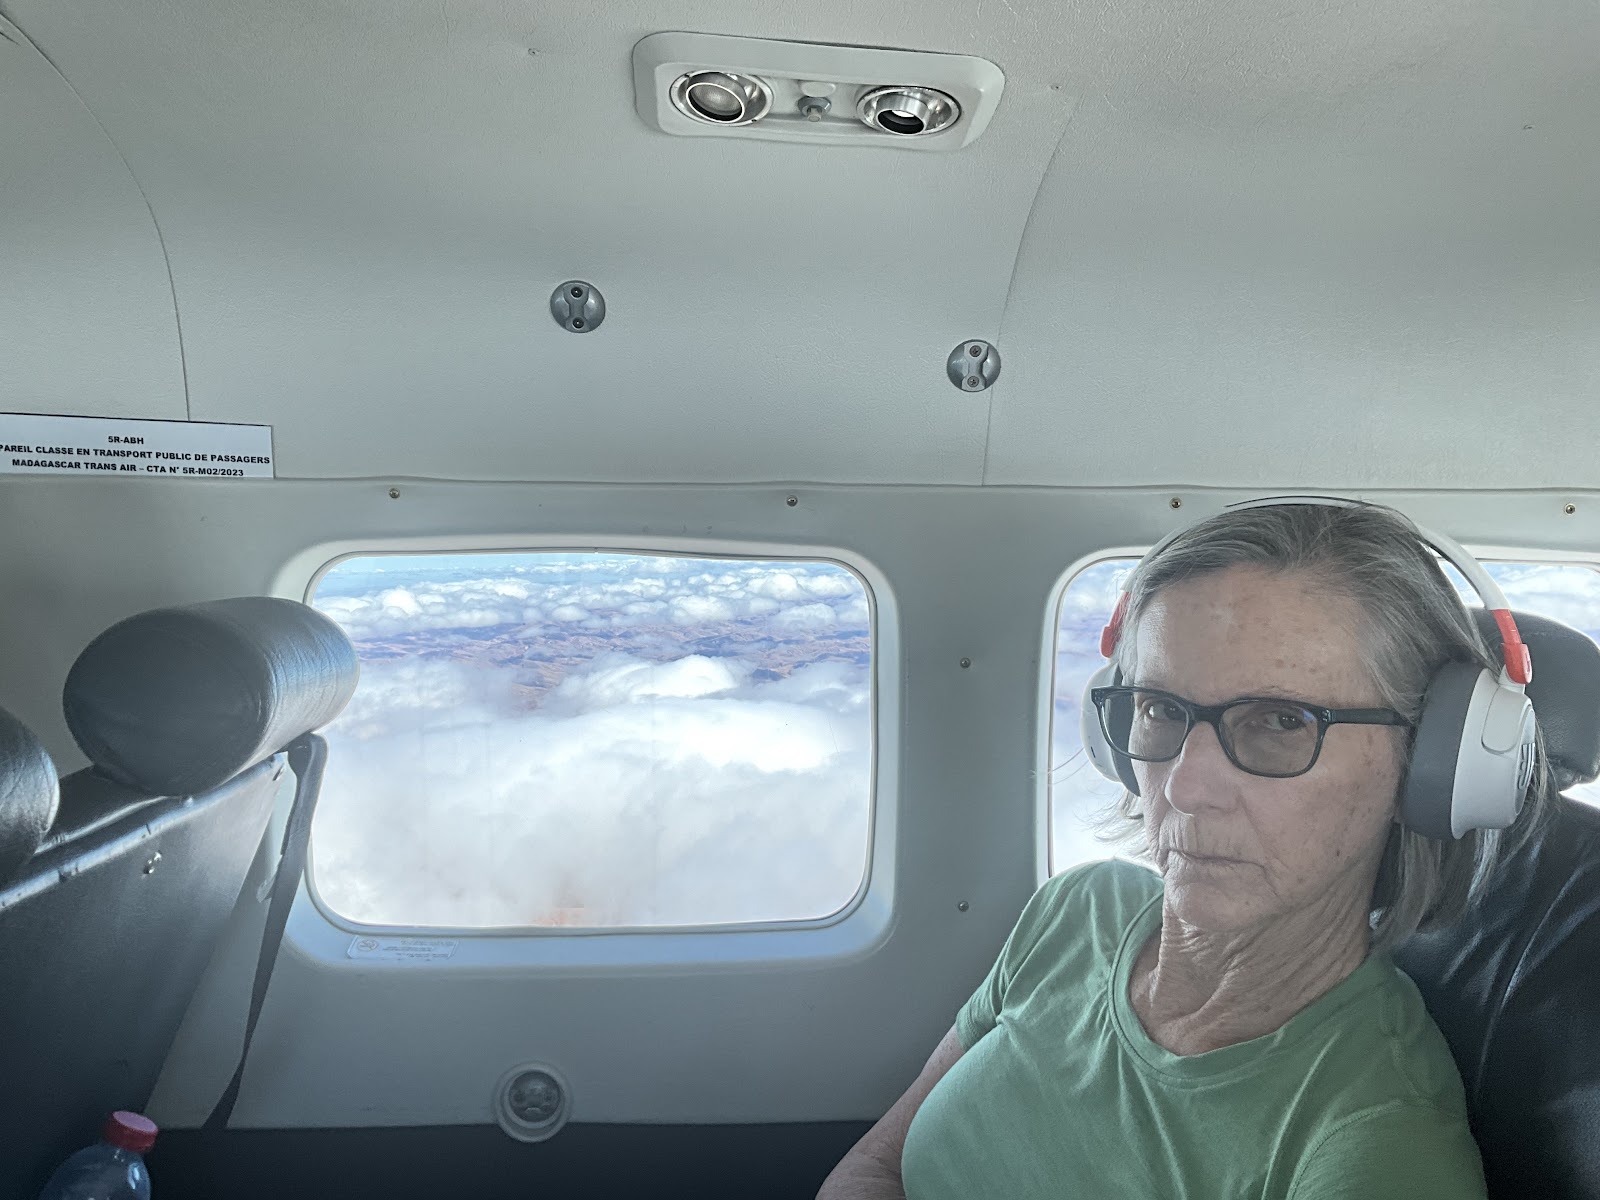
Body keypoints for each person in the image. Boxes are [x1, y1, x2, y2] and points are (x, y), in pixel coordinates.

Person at [817, 499, 1548, 1199]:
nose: (1184, 786)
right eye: (1161, 708)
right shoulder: (1075, 913)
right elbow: (877, 1165)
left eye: (1282, 721)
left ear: (1431, 766)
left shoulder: (1375, 1140)